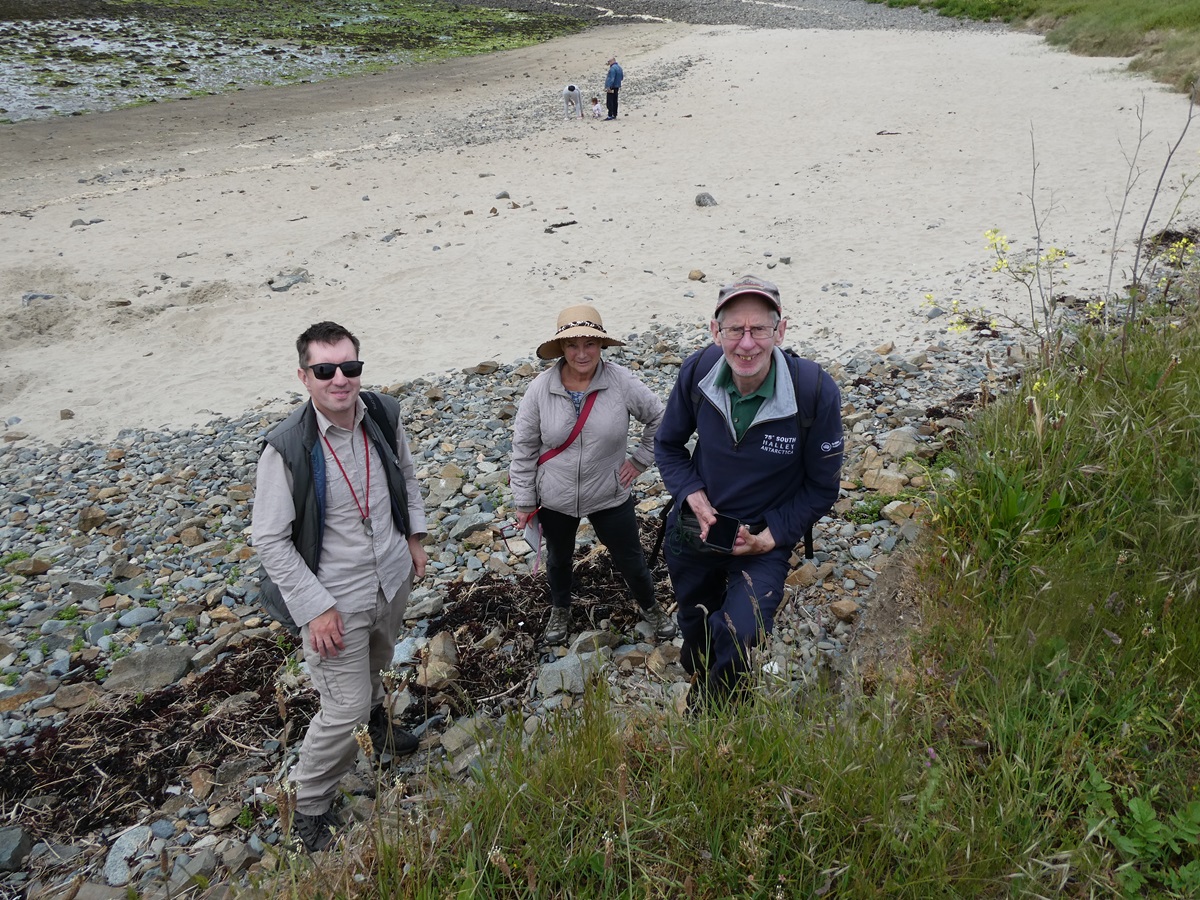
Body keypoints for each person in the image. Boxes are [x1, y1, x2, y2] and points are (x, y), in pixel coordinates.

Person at [252, 321, 428, 853]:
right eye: (325, 370)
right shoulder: (285, 449)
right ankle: (308, 806)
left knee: (379, 659)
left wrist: (415, 539)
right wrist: (314, 609)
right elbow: (270, 540)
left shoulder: (384, 415)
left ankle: (375, 727)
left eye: (349, 368)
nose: (340, 380)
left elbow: (410, 478)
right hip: (335, 600)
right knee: (341, 707)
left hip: (391, 576)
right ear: (303, 375)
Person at [655, 276, 843, 708]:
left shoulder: (813, 391)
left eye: (759, 329)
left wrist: (770, 537)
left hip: (762, 540)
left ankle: (717, 719)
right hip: (693, 531)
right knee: (697, 626)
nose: (746, 343)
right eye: (734, 329)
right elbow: (667, 446)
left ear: (781, 330)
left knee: (740, 630)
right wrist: (693, 496)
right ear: (714, 330)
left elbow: (822, 487)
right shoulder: (698, 373)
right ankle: (701, 678)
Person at [510, 304, 675, 645]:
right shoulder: (540, 389)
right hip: (554, 495)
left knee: (631, 558)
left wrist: (641, 460)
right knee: (558, 559)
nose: (582, 353)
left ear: (602, 345)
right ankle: (560, 609)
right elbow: (523, 447)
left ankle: (650, 606)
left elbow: (661, 418)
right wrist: (524, 500)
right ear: (561, 348)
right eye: (572, 345)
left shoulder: (620, 381)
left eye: (590, 343)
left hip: (609, 493)